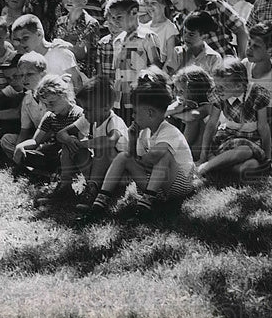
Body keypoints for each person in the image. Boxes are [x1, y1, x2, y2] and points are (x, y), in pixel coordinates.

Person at [81, 68, 195, 220]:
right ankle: (101, 199)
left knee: (164, 155)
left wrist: (140, 162)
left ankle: (145, 204)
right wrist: (132, 140)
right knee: (123, 156)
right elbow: (135, 158)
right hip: (157, 187)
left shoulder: (169, 131)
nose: (133, 116)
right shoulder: (144, 133)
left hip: (179, 185)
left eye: (135, 112)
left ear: (150, 113)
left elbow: (151, 158)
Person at [49, 77, 129, 204]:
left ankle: (93, 189)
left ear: (105, 108)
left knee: (105, 149)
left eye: (88, 109)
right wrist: (70, 140)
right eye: (83, 108)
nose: (84, 112)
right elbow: (61, 134)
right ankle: (66, 186)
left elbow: (111, 140)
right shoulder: (88, 118)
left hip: (117, 176)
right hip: (98, 170)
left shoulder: (114, 122)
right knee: (69, 144)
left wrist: (82, 143)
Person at [197, 58, 272, 182]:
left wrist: (268, 157)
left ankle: (218, 164)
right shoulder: (219, 95)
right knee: (244, 151)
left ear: (238, 85)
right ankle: (205, 167)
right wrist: (202, 156)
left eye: (222, 86)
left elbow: (263, 127)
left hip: (251, 140)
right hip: (228, 139)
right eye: (216, 85)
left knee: (251, 164)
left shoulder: (257, 94)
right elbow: (211, 124)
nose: (217, 90)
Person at [107, 0, 162, 122]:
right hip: (119, 101)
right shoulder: (117, 40)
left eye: (119, 17)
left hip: (139, 101)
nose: (115, 22)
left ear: (134, 12)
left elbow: (156, 70)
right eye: (113, 18)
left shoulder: (147, 38)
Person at [165, 0, 247, 59]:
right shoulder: (178, 20)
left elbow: (241, 29)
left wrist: (241, 58)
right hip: (202, 68)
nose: (172, 0)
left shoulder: (215, 6)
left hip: (225, 65)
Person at [54, 0, 99, 80]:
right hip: (60, 74)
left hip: (82, 77)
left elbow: (81, 54)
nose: (69, 0)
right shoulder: (60, 22)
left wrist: (63, 45)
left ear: (85, 1)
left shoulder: (91, 24)